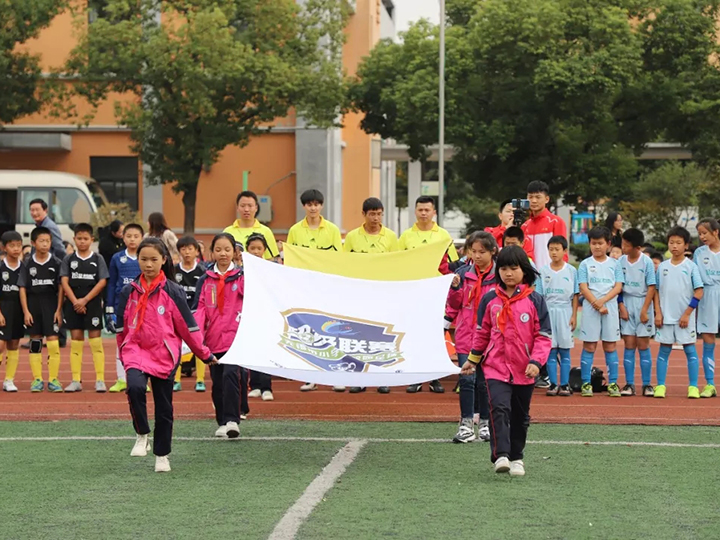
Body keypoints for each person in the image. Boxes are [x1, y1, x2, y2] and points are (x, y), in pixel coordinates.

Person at [117, 237, 215, 472]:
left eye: (153, 259)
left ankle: (162, 454)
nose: (148, 264)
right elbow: (121, 327)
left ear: (163, 260)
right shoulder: (128, 291)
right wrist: (123, 351)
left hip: (164, 354)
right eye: (143, 259)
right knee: (135, 388)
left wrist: (204, 354)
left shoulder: (173, 290)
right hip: (136, 350)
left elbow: (188, 327)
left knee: (164, 408)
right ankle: (142, 433)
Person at [460, 246, 551, 477]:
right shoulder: (490, 299)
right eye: (503, 268)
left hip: (525, 370)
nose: (508, 273)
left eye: (513, 268)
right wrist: (473, 359)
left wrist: (536, 362)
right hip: (495, 368)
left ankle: (517, 457)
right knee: (499, 408)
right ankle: (501, 455)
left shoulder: (535, 301)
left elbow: (543, 336)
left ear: (524, 270)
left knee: (520, 417)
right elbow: (482, 332)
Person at [399, 196, 459, 393]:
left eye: (427, 210)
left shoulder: (443, 235)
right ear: (415, 211)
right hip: (413, 291)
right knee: (414, 333)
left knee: (435, 335)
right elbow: (399, 261)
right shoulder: (406, 236)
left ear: (434, 212)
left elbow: (452, 263)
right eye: (420, 210)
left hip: (437, 293)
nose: (423, 213)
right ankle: (416, 377)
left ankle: (435, 377)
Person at [287, 189, 344, 392]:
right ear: (304, 206)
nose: (313, 208)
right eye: (309, 204)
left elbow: (338, 260)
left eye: (316, 204)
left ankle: (336, 374)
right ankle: (310, 376)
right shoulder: (295, 230)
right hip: (303, 289)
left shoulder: (332, 230)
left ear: (322, 205)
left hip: (327, 288)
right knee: (309, 331)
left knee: (332, 330)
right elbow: (291, 260)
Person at [445, 231, 496, 443]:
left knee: (485, 382)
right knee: (467, 379)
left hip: (490, 336)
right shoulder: (464, 274)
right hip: (466, 335)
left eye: (481, 252)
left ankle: (485, 423)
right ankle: (466, 423)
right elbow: (454, 304)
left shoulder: (499, 276)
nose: (476, 256)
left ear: (493, 252)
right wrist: (455, 289)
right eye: (473, 251)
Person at [193, 233, 245, 438]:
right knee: (218, 381)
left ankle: (233, 420)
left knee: (232, 374)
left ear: (234, 252)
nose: (223, 254)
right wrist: (197, 339)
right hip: (213, 338)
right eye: (219, 249)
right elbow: (199, 309)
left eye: (227, 249)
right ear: (212, 252)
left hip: (236, 337)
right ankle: (222, 420)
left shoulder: (242, 277)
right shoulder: (205, 280)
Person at [343, 197, 398, 393]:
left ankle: (383, 377)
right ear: (364, 215)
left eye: (379, 213)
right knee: (359, 333)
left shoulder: (391, 237)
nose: (376, 218)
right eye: (372, 214)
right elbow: (345, 263)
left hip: (383, 292)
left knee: (381, 334)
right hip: (359, 293)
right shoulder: (352, 237)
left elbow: (397, 263)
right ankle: (360, 377)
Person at [654, 226, 704, 399]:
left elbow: (699, 291)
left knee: (690, 351)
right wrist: (658, 313)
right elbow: (656, 292)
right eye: (671, 242)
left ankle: (693, 387)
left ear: (686, 245)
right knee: (663, 352)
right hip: (665, 318)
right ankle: (660, 386)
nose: (674, 246)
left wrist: (687, 314)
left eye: (678, 243)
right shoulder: (662, 267)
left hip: (685, 319)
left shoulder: (691, 267)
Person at [60, 223, 109, 393]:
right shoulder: (68, 259)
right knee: (76, 341)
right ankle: (75, 380)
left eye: (85, 238)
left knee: (96, 342)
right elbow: (64, 281)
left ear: (91, 240)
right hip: (74, 305)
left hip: (92, 304)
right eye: (79, 238)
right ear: (74, 239)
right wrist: (75, 302)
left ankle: (100, 380)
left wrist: (85, 300)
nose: (82, 242)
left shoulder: (98, 259)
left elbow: (102, 281)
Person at [578, 227, 624, 397]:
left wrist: (603, 301)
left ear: (608, 244)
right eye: (593, 243)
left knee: (610, 346)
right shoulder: (585, 264)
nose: (597, 247)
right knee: (589, 345)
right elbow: (583, 286)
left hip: (609, 308)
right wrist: (596, 304)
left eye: (600, 243)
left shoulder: (615, 264)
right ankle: (585, 383)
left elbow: (618, 286)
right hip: (591, 308)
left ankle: (612, 383)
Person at [18, 227, 64, 392]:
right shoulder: (27, 262)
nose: (45, 244)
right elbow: (22, 287)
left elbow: (61, 288)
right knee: (35, 341)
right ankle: (37, 379)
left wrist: (59, 310)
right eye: (41, 241)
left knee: (53, 342)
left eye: (48, 241)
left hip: (51, 305)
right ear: (33, 243)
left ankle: (53, 379)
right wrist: (26, 311)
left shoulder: (57, 262)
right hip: (33, 306)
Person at [535, 236, 579, 397]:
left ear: (564, 251)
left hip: (565, 311)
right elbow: (539, 297)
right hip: (549, 311)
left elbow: (575, 295)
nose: (553, 252)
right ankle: (553, 384)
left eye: (557, 249)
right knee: (551, 351)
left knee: (565, 351)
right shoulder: (543, 271)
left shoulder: (571, 271)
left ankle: (565, 384)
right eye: (551, 249)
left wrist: (574, 315)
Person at [617, 228, 657, 397]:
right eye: (623, 243)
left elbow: (651, 287)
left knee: (643, 345)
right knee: (629, 344)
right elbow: (618, 286)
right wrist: (621, 307)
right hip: (627, 302)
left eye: (626, 244)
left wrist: (645, 309)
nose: (623, 247)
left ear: (637, 247)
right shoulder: (620, 261)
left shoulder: (646, 262)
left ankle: (647, 384)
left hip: (642, 302)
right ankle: (629, 384)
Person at [106, 223, 144, 393]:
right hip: (122, 307)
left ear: (142, 238)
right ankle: (121, 379)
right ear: (123, 237)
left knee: (142, 342)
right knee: (121, 342)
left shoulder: (146, 257)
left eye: (136, 236)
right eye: (129, 236)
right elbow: (112, 283)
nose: (132, 239)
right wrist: (109, 309)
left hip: (143, 307)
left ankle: (143, 377)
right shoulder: (117, 258)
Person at [172, 236, 208, 393]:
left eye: (190, 249)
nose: (187, 252)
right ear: (179, 251)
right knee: (176, 346)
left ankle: (200, 380)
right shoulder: (173, 270)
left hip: (196, 315)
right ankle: (176, 380)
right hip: (177, 314)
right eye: (183, 249)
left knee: (199, 346)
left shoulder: (203, 271)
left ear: (197, 251)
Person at [245, 233, 275, 401]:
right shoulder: (242, 269)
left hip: (267, 314)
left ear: (264, 250)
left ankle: (266, 387)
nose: (256, 251)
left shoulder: (270, 269)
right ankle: (254, 385)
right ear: (247, 250)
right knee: (253, 350)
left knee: (266, 351)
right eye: (252, 248)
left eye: (259, 248)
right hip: (249, 314)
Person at [694, 217, 720, 398]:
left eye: (705, 233)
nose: (702, 237)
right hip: (707, 295)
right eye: (700, 234)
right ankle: (710, 383)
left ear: (716, 232)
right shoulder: (699, 253)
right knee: (708, 338)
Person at [521, 181, 567, 269]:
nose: (534, 201)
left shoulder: (556, 222)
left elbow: (563, 252)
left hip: (550, 275)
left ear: (547, 199)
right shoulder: (524, 226)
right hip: (530, 276)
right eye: (530, 197)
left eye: (538, 197)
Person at [223, 191, 279, 260]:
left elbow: (270, 259)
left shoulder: (266, 231)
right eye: (243, 206)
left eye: (250, 206)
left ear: (256, 208)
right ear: (237, 208)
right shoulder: (227, 232)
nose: (246, 209)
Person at [0, 232, 24, 392]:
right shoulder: (1, 267)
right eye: (12, 245)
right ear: (4, 247)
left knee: (14, 344)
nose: (16, 249)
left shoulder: (25, 267)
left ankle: (9, 380)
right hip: (3, 309)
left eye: (18, 245)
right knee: (1, 344)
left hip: (18, 310)